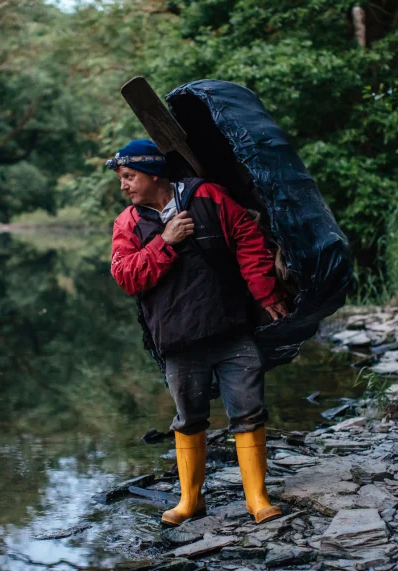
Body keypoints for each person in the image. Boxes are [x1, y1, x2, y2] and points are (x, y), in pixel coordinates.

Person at [107, 139, 288, 526]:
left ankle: (257, 499)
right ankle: (190, 501)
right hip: (178, 340)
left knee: (249, 411)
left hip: (232, 330)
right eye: (122, 178)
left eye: (128, 176)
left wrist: (265, 291)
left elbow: (247, 238)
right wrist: (166, 242)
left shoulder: (206, 196)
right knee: (188, 419)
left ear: (154, 175)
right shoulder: (128, 224)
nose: (123, 186)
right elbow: (126, 276)